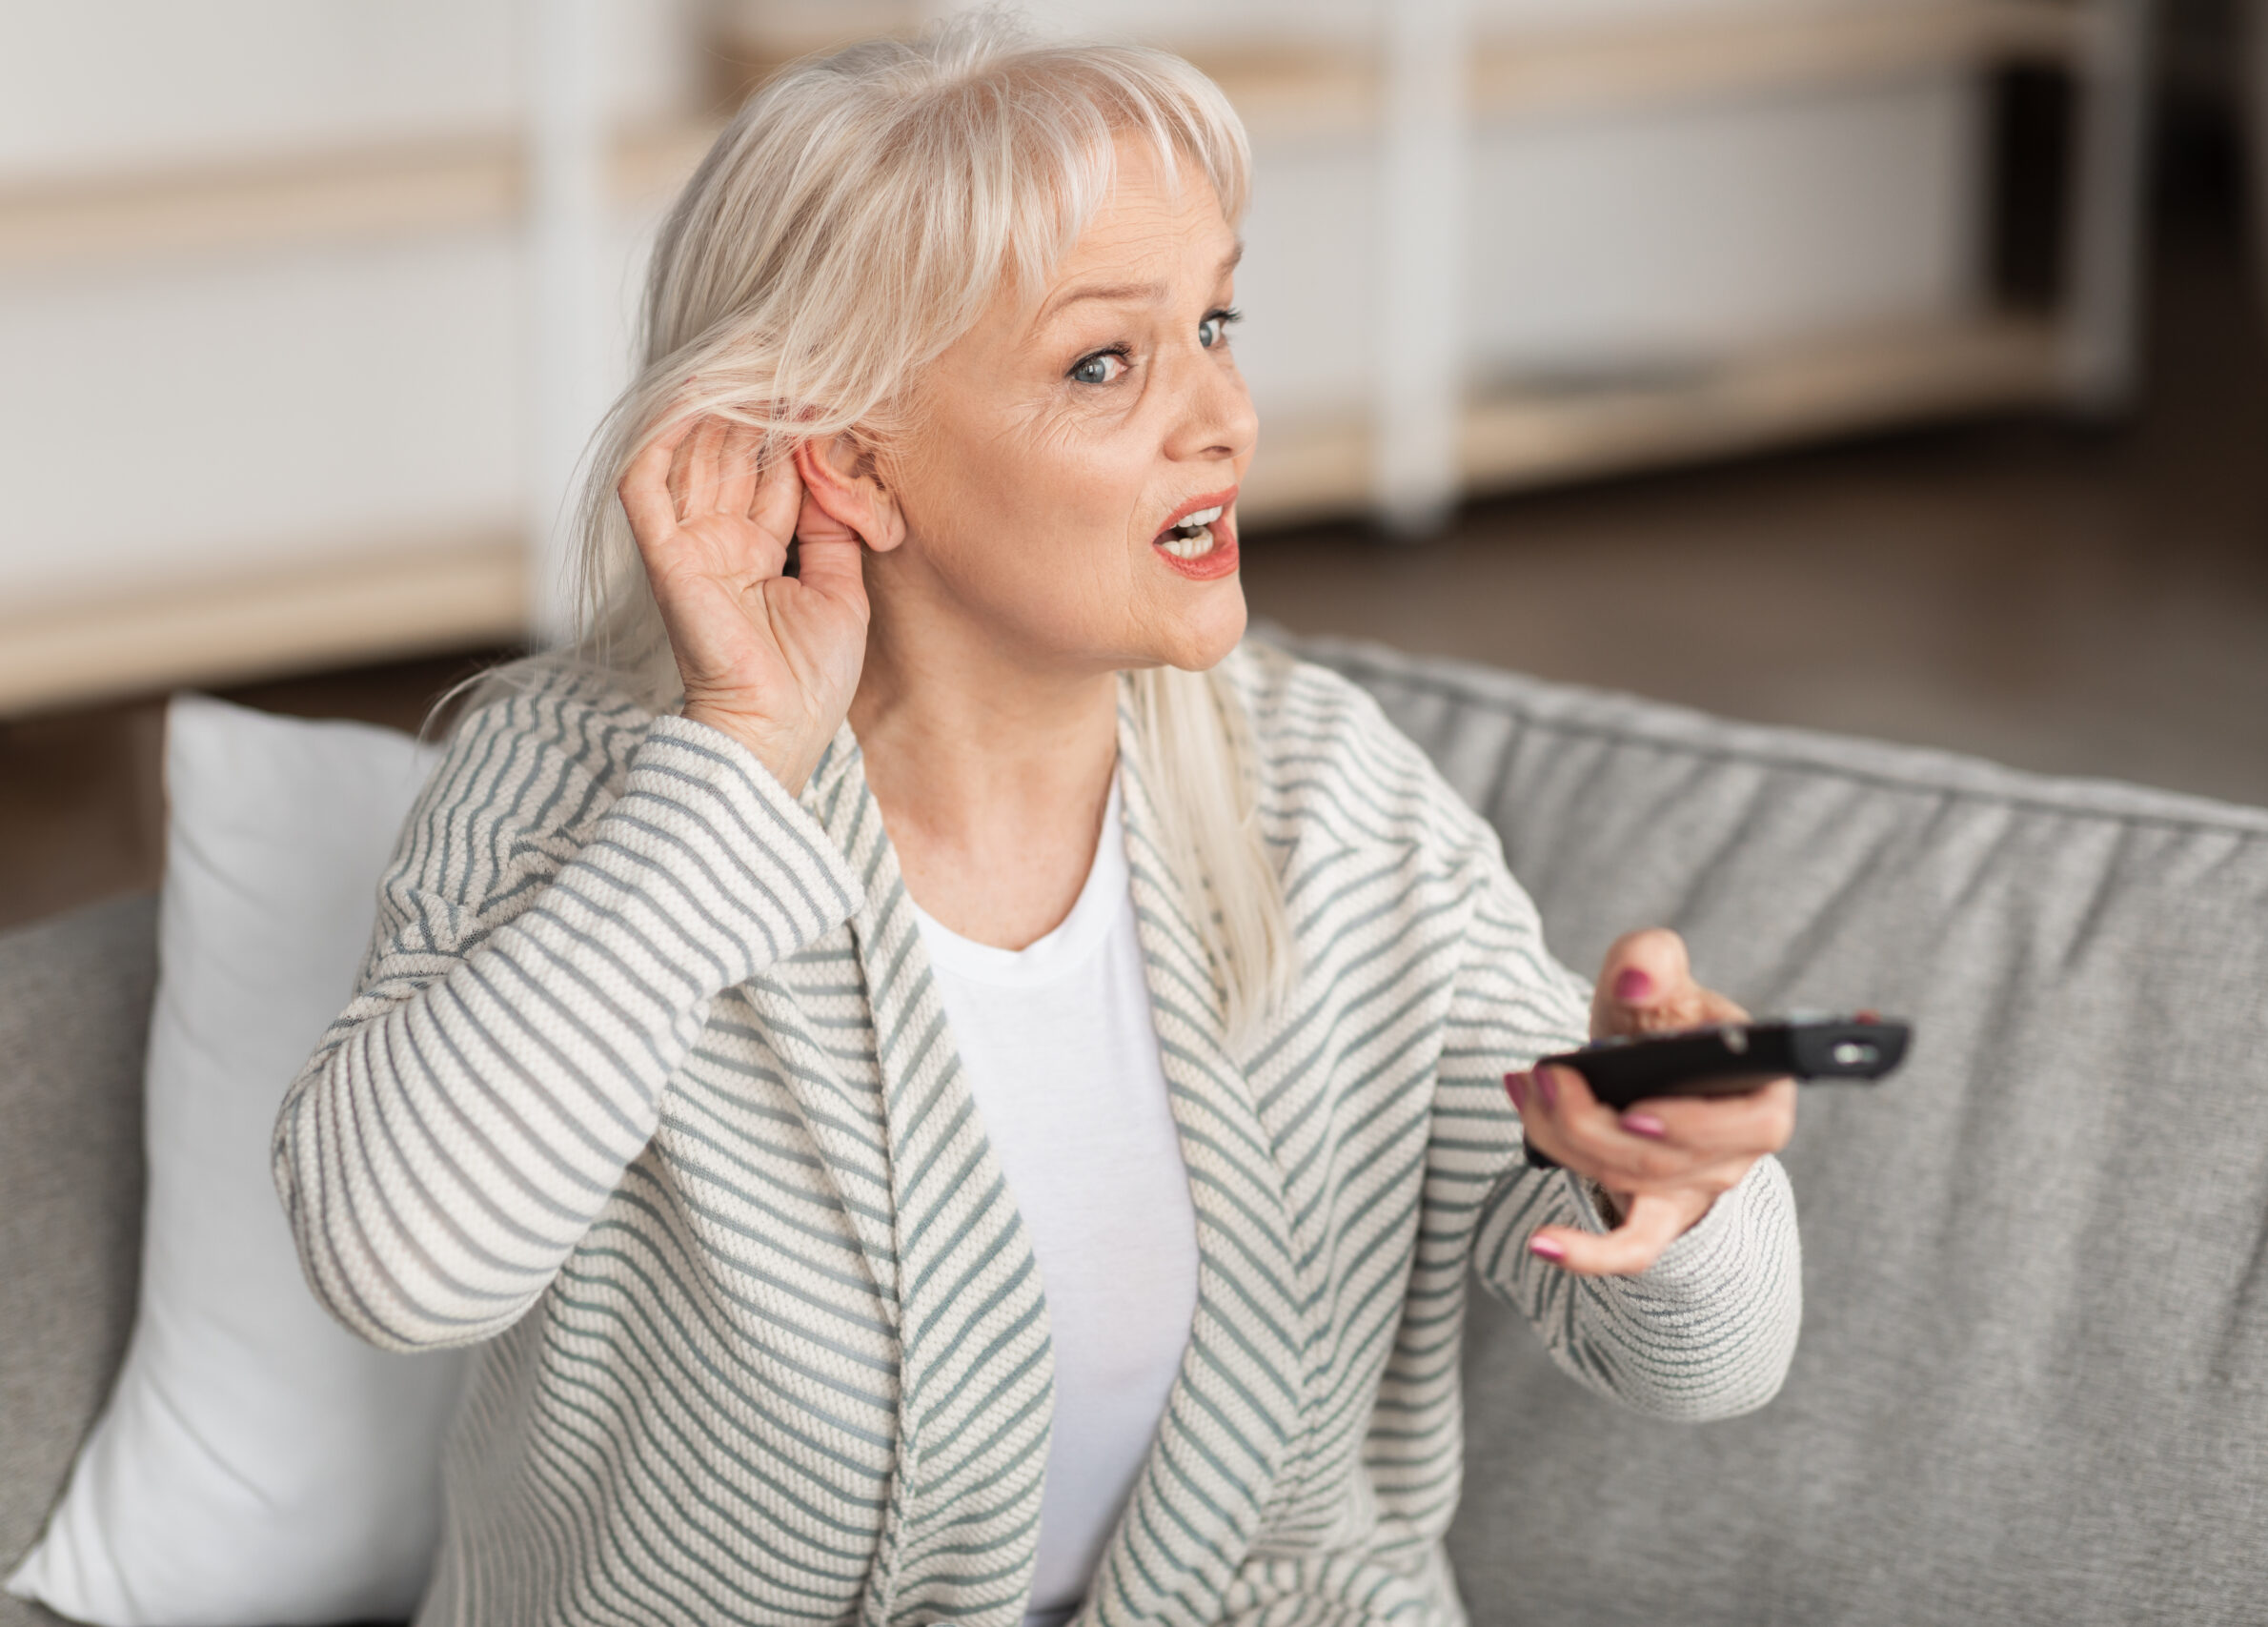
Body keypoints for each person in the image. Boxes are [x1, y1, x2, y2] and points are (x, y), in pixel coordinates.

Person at [273, 15, 1801, 1625]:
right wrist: (734, 760)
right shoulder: (585, 788)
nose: (1221, 416)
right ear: (852, 467)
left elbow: (1700, 1363)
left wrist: (1675, 1182)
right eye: (1105, 362)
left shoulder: (1321, 793)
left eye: (1217, 320)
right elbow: (399, 1265)